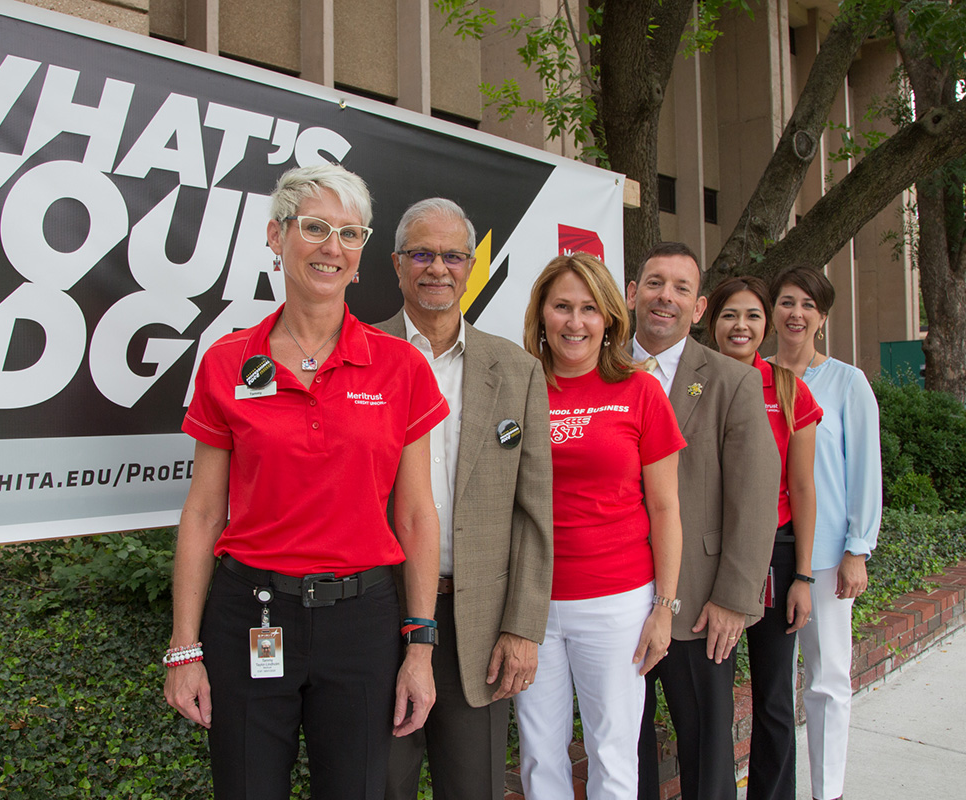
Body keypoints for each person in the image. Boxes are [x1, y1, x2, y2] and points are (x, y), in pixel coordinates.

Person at [163, 163, 449, 800]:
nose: (332, 248)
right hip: (250, 617)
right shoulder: (228, 361)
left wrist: (420, 648)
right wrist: (185, 648)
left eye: (350, 235)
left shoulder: (401, 366)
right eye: (316, 228)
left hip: (362, 624)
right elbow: (204, 514)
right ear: (276, 235)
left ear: (361, 256)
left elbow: (416, 517)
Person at [377, 199, 553, 800]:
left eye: (453, 256)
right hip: (376, 613)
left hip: (476, 626)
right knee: (378, 785)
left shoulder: (516, 369)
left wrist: (523, 626)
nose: (437, 268)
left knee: (473, 789)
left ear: (472, 267)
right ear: (397, 264)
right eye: (422, 254)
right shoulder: (359, 357)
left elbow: (533, 513)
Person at [515, 253, 684, 800]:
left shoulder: (641, 391)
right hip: (532, 604)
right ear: (541, 314)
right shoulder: (517, 389)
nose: (575, 321)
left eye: (589, 308)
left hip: (616, 602)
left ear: (610, 317)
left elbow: (665, 509)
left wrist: (665, 607)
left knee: (613, 755)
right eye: (562, 306)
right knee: (541, 756)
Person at [630, 242, 780, 800]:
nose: (665, 296)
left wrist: (735, 598)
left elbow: (756, 498)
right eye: (654, 282)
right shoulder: (599, 369)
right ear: (632, 293)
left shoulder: (730, 382)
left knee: (707, 748)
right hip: (613, 595)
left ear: (698, 309)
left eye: (681, 288)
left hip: (698, 603)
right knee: (624, 747)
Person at [706, 275, 823, 800]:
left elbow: (802, 486)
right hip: (707, 558)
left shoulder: (787, 387)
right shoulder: (693, 382)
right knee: (712, 697)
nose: (741, 325)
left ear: (766, 324)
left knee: (774, 698)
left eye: (753, 315)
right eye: (731, 314)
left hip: (774, 555)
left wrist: (802, 574)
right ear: (713, 322)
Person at [769, 267, 881, 800]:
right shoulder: (753, 376)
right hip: (769, 550)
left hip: (830, 554)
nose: (795, 313)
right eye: (786, 302)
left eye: (807, 305)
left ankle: (827, 791)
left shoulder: (845, 382)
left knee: (827, 678)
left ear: (822, 317)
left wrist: (859, 549)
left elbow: (864, 471)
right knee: (772, 683)